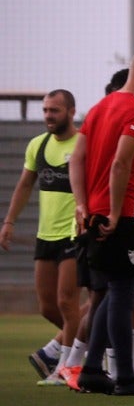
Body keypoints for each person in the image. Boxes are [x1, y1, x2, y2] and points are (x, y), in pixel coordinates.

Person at [63, 48, 134, 395]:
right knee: (124, 290)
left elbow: (76, 159)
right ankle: (125, 376)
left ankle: (94, 368)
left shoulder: (100, 107)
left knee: (112, 290)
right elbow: (121, 164)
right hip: (117, 216)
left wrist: (83, 205)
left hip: (94, 213)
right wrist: (114, 211)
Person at [2, 88, 81, 383]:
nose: (48, 115)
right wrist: (9, 221)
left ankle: (64, 367)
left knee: (66, 302)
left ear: (71, 112)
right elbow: (24, 185)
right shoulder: (38, 145)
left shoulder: (82, 144)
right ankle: (86, 341)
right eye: (46, 110)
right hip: (45, 236)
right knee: (47, 305)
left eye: (54, 110)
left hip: (74, 235)